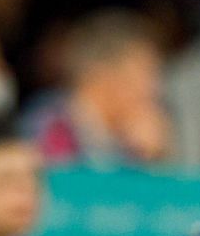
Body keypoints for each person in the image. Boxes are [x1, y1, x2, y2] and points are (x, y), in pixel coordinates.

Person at [27, 10, 172, 168]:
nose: (153, 89)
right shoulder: (49, 123)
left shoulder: (130, 138)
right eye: (145, 74)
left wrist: (151, 159)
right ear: (104, 73)